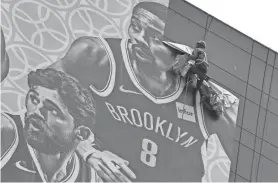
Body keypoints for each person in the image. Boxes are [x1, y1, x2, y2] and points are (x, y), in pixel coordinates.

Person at [8, 1, 239, 182]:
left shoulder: (207, 100)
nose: (137, 39)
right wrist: (86, 150)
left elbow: (248, 165)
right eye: (136, 27)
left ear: (183, 53)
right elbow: (42, 89)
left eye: (155, 38)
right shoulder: (96, 56)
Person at [0, 29, 136, 182]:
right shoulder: (7, 132)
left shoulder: (92, 175)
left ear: (81, 133)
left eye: (52, 110)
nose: (36, 112)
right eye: (34, 99)